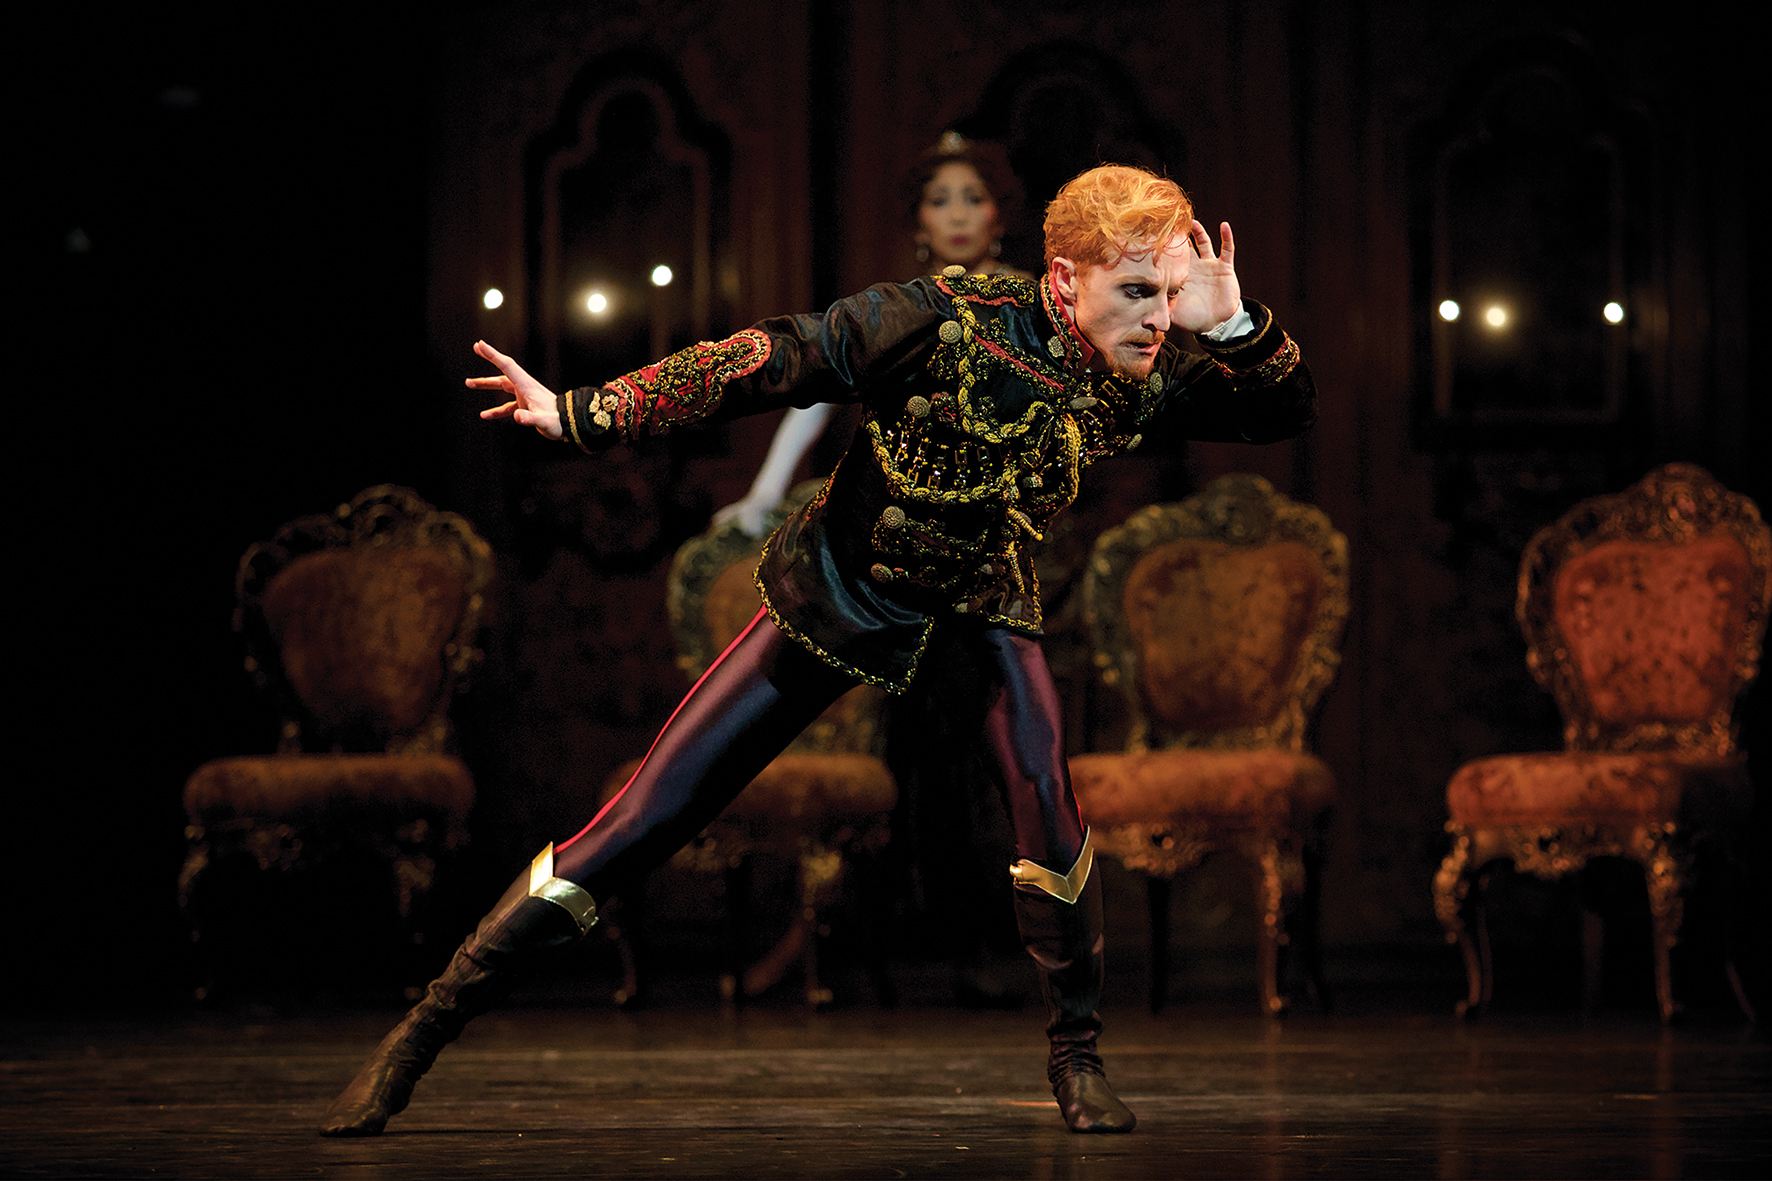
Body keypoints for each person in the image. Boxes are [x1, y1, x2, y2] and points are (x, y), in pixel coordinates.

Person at [319, 163, 1315, 1139]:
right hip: (841, 590)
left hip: (977, 599)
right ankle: (425, 1026)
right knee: (642, 819)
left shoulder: (1140, 367)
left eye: (1171, 294)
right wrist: (585, 410)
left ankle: (1077, 1054)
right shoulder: (941, 320)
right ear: (1063, 278)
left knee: (1047, 808)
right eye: (1139, 291)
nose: (1157, 314)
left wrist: (1227, 319)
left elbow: (1280, 409)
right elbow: (767, 359)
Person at [715, 130, 1028, 537]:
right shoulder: (904, 307)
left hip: (1008, 510)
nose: (957, 216)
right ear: (919, 222)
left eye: (974, 198)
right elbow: (822, 389)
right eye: (939, 201)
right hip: (909, 509)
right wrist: (766, 491)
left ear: (998, 215)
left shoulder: (1027, 303)